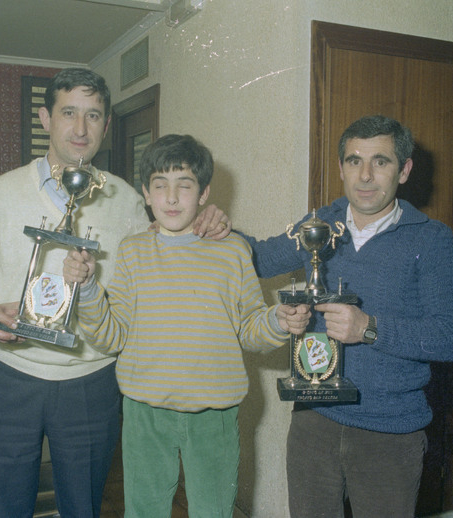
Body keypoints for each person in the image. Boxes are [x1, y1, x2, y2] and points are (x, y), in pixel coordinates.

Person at [0, 68, 231, 518]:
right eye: (69, 113)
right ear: (45, 118)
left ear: (106, 124)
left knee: (83, 508)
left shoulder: (127, 201)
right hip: (8, 377)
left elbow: (164, 258)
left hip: (91, 381)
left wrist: (207, 221)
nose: (80, 128)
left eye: (93, 115)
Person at [62, 133, 311, 517]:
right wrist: (89, 288)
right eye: (160, 186)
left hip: (215, 413)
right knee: (144, 511)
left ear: (204, 193)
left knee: (213, 511)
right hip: (145, 411)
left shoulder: (234, 251)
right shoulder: (132, 252)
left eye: (185, 185)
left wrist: (277, 320)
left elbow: (249, 328)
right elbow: (111, 337)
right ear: (146, 194)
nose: (172, 198)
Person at [243, 115, 453, 517]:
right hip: (313, 421)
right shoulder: (320, 225)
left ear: (404, 170)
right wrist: (212, 227)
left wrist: (369, 328)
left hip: (390, 433)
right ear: (340, 168)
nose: (365, 175)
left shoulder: (432, 238)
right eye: (354, 161)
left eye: (380, 162)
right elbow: (258, 259)